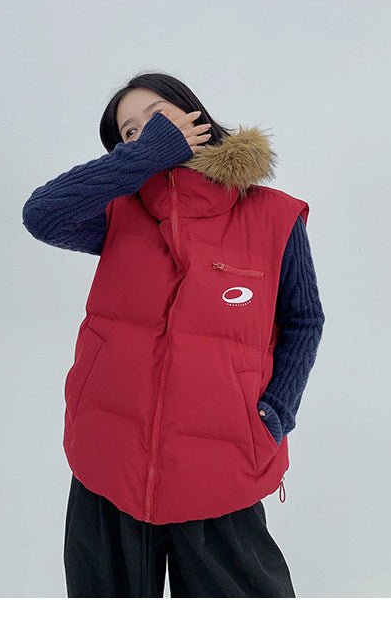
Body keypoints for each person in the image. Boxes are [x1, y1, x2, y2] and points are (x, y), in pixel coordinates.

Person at [22, 72, 325, 597]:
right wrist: (146, 157)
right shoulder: (119, 214)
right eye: (130, 132)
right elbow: (42, 215)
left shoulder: (273, 216)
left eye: (157, 115)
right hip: (108, 458)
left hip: (221, 465)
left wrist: (275, 414)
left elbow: (304, 320)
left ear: (194, 115)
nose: (146, 132)